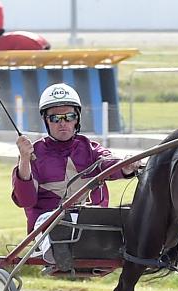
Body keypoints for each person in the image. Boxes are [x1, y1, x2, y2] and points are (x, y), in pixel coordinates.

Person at [11, 83, 139, 261]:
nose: (63, 123)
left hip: (92, 223)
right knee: (48, 221)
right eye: (55, 118)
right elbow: (25, 199)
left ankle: (172, 249)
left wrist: (125, 166)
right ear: (46, 121)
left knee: (136, 214)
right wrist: (24, 160)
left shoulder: (90, 148)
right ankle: (57, 253)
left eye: (69, 116)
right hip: (50, 223)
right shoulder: (33, 154)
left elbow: (107, 163)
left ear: (77, 119)